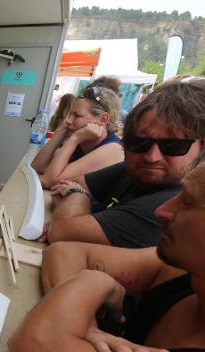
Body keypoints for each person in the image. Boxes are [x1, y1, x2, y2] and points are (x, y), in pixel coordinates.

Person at [9, 158, 205, 352]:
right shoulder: (180, 269)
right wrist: (87, 327)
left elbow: (38, 341)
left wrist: (92, 281)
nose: (162, 211)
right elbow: (65, 252)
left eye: (187, 202)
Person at [43, 76, 205, 248]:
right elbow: (61, 188)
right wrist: (77, 213)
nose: (152, 157)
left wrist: (76, 197)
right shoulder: (134, 170)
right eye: (139, 142)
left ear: (201, 147)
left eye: (172, 145)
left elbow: (61, 231)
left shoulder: (173, 203)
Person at [32, 86, 124, 189]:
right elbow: (38, 166)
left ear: (102, 119)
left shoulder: (113, 149)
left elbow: (48, 181)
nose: (68, 120)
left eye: (77, 115)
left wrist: (75, 138)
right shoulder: (84, 141)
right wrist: (61, 132)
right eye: (70, 114)